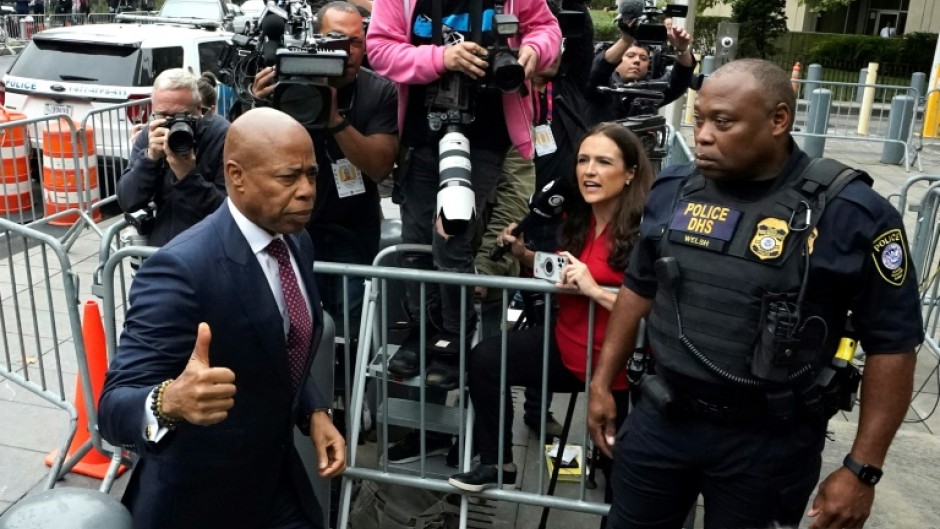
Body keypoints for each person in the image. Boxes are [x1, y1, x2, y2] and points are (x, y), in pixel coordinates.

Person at [588, 59, 921, 529]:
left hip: (769, 443)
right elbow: (639, 290)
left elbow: (894, 345)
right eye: (700, 119)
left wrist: (861, 470)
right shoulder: (672, 190)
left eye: (722, 122)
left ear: (778, 120)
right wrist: (603, 383)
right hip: (661, 422)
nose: (703, 134)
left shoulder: (853, 214)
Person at [98, 107, 347, 529]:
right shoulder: (183, 268)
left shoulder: (295, 241)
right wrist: (169, 401)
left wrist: (313, 410)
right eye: (289, 178)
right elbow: (112, 406)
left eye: (312, 174)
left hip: (275, 481)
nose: (306, 191)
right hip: (200, 501)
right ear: (236, 176)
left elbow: (279, 347)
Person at [448, 123, 652, 494]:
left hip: (618, 373)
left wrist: (593, 289)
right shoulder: (579, 219)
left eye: (603, 162)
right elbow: (563, 268)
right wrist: (523, 254)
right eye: (583, 160)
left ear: (630, 173)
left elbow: (650, 308)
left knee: (620, 480)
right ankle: (496, 462)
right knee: (487, 360)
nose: (589, 171)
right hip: (566, 349)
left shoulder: (647, 232)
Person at [366, 0, 561, 358]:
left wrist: (532, 50)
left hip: (486, 135)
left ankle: (455, 336)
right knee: (414, 243)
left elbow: (548, 30)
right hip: (421, 134)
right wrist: (443, 59)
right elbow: (379, 49)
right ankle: (422, 331)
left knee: (451, 238)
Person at [253, 1, 398, 333]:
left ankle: (345, 385)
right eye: (334, 40)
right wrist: (258, 104)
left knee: (352, 328)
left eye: (356, 41)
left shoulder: (380, 90)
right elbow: (252, 151)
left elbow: (379, 167)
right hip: (290, 229)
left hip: (352, 230)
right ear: (313, 41)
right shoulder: (289, 77)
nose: (346, 51)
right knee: (292, 327)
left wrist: (333, 118)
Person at [117, 68, 229, 247]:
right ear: (154, 111)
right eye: (164, 116)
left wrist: (188, 176)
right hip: (164, 249)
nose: (174, 123)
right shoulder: (152, 134)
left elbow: (228, 211)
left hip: (211, 249)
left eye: (182, 116)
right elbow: (127, 200)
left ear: (199, 108)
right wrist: (150, 159)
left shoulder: (222, 135)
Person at [585, 26, 695, 125]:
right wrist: (626, 39)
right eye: (630, 55)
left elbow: (678, 82)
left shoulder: (649, 91)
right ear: (618, 59)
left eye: (643, 58)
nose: (637, 61)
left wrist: (682, 50)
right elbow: (596, 72)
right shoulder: (601, 86)